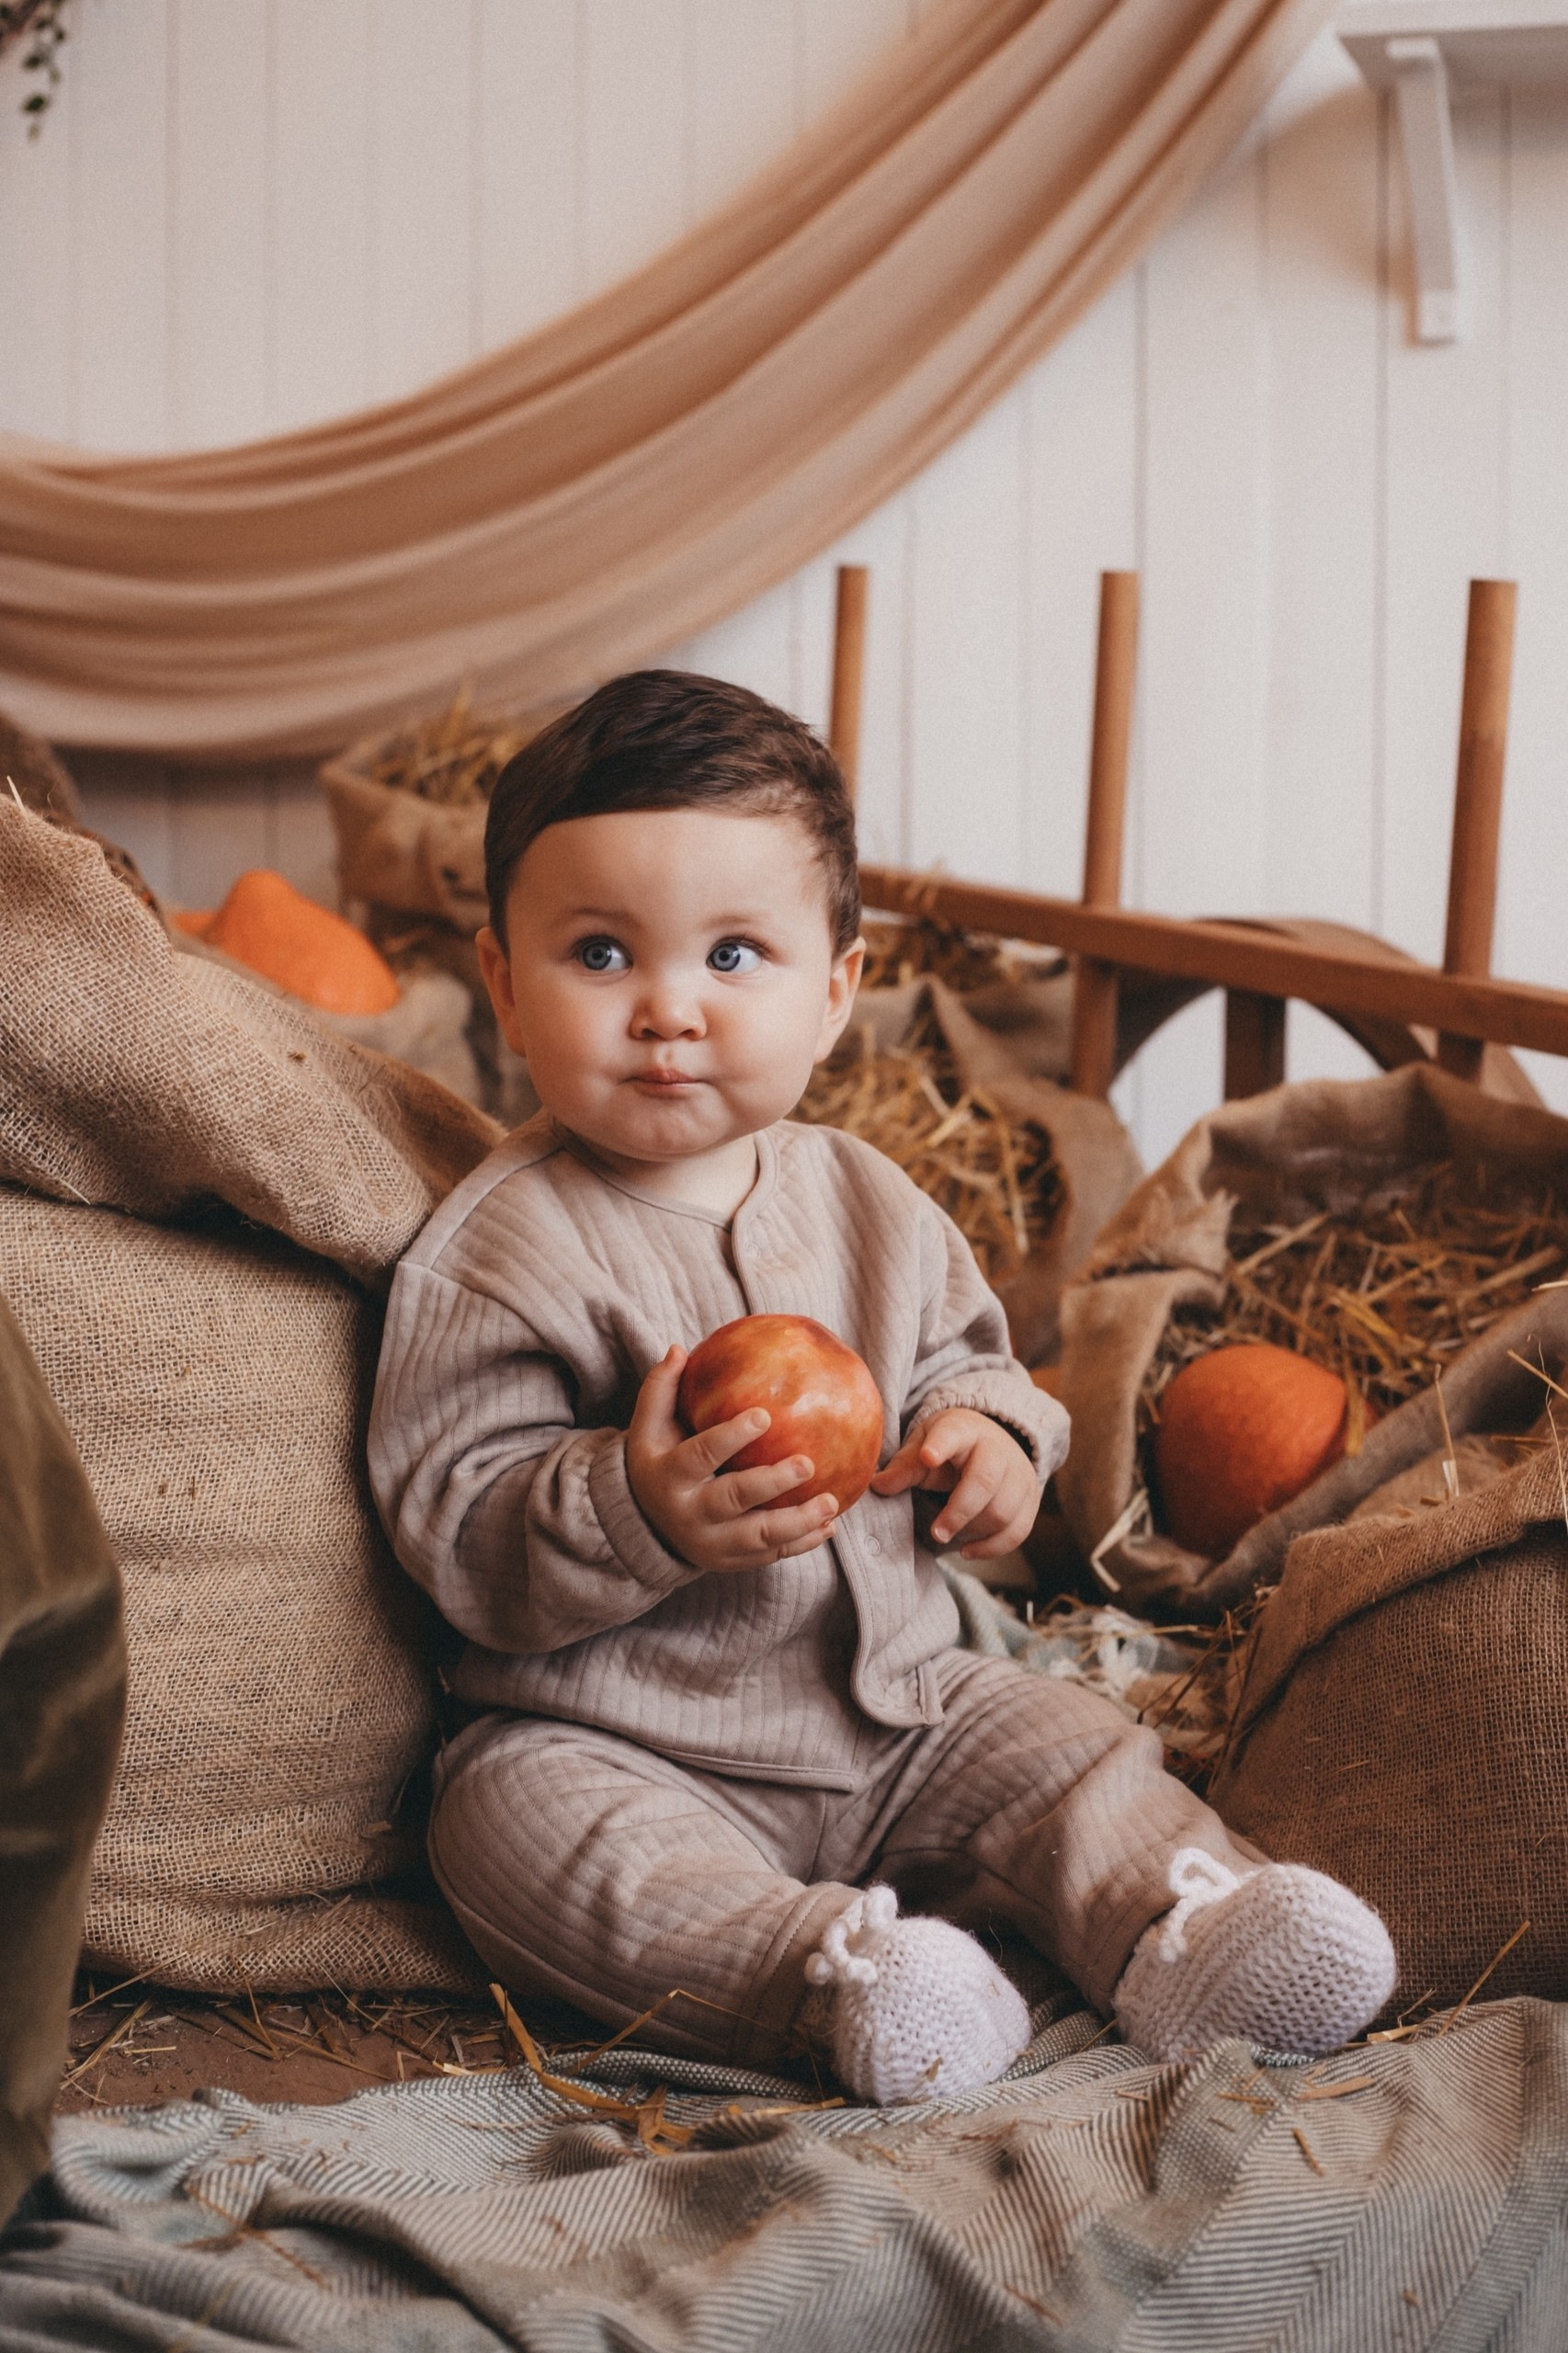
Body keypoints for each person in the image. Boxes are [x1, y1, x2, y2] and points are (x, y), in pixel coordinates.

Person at [369, 671, 1394, 2104]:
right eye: (600, 955)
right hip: (624, 1739)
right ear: (501, 984)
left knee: (1062, 1744)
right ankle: (831, 1979)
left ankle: (1188, 1922)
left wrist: (992, 1441)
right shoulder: (498, 1250)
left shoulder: (870, 1202)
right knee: (505, 1833)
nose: (668, 1009)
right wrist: (636, 1504)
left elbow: (975, 1366)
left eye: (734, 956)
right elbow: (456, 1525)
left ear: (837, 991)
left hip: (897, 1713)